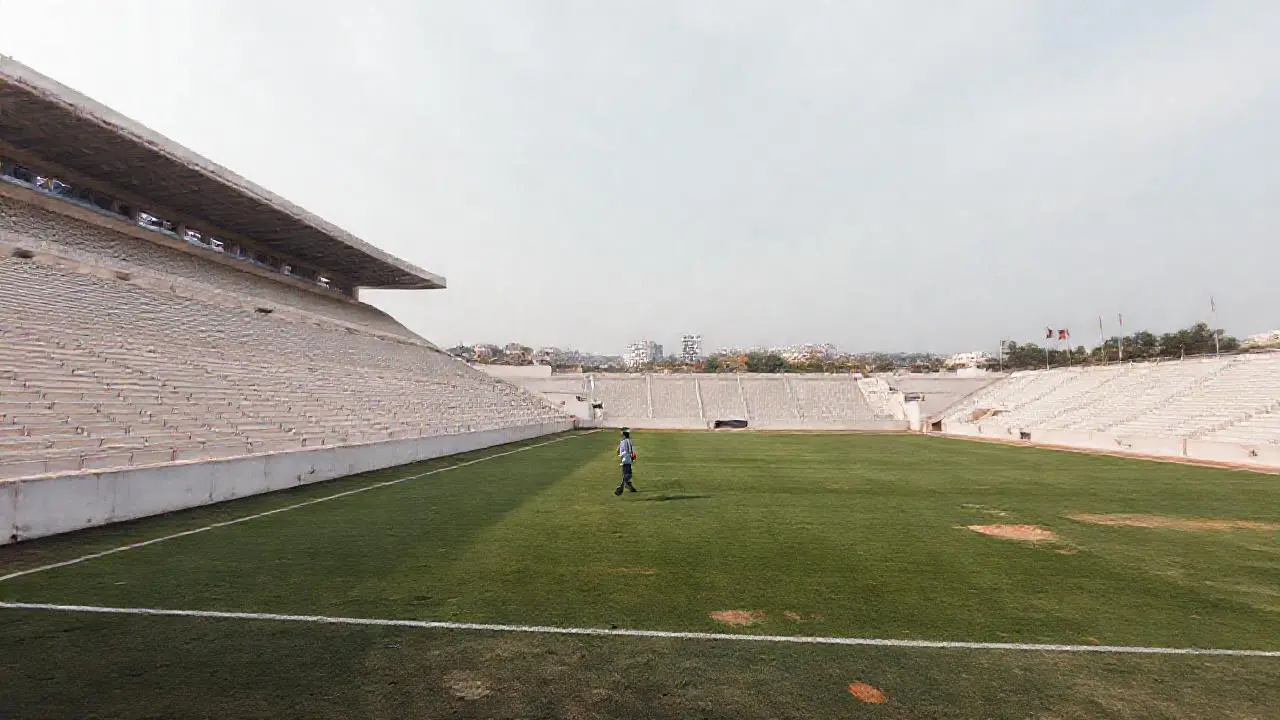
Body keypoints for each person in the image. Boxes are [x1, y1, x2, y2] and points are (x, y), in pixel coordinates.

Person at [615, 429, 637, 496]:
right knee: (628, 474)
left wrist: (620, 456)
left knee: (626, 473)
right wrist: (633, 458)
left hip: (624, 458)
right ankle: (622, 486)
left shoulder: (622, 441)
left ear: (624, 435)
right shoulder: (630, 441)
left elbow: (618, 450)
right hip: (627, 458)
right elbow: (633, 451)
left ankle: (628, 485)